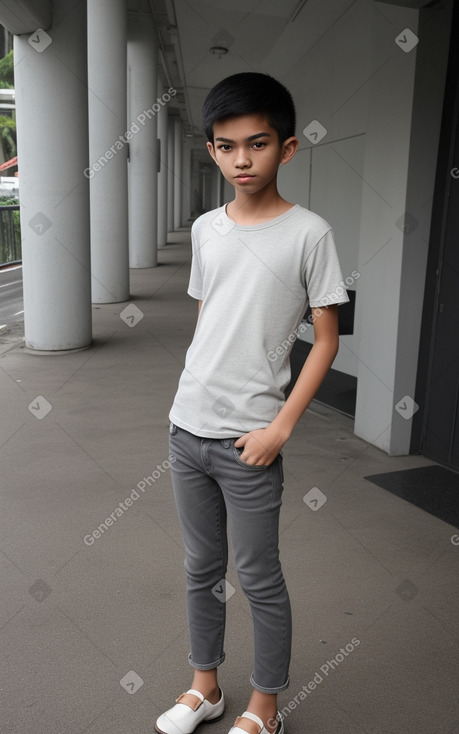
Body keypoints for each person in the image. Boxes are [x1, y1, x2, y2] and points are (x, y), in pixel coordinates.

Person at [155, 72, 349, 734]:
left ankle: (265, 706)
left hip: (250, 441)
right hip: (187, 430)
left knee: (258, 576)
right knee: (200, 569)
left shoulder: (308, 233)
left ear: (286, 148)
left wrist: (279, 429)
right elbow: (211, 318)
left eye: (257, 144)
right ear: (210, 149)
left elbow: (325, 340)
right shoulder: (207, 229)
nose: (241, 159)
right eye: (226, 145)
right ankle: (203, 687)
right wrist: (188, 397)